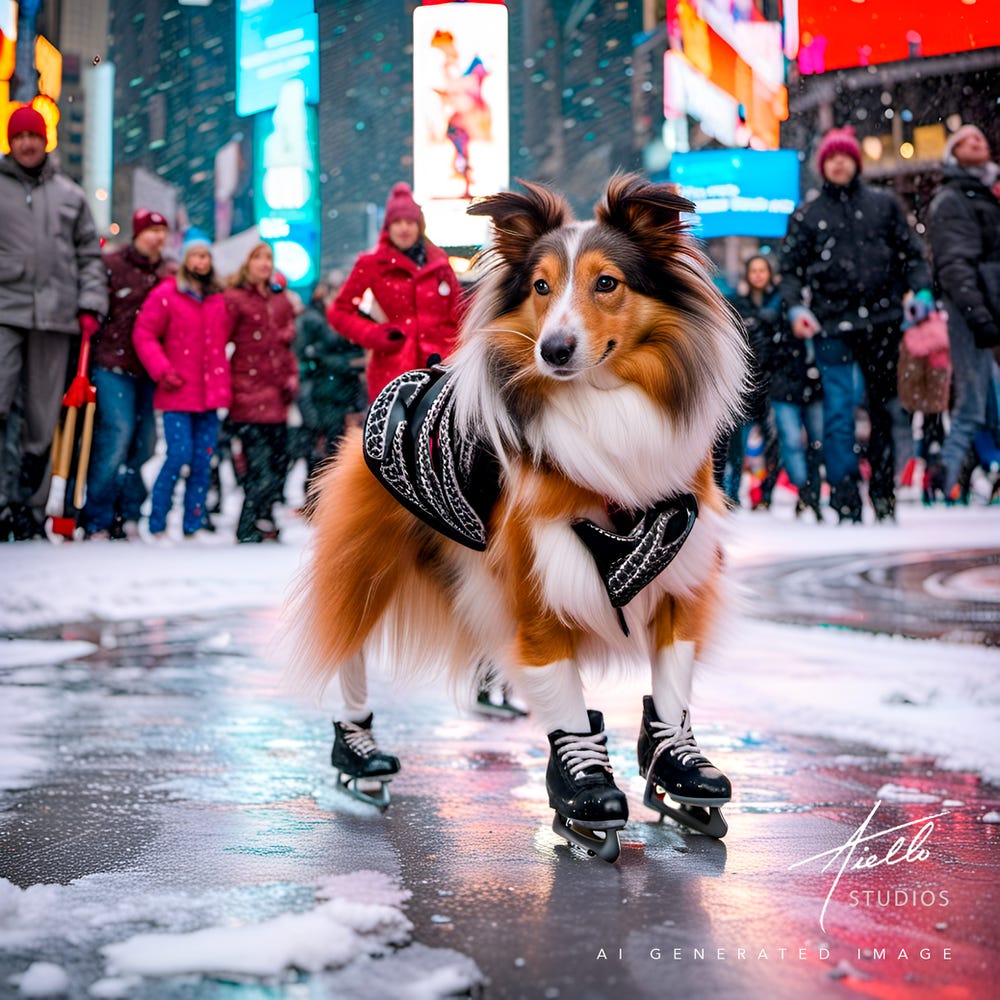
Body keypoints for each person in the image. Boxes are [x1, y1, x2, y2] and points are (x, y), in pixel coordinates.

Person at [779, 125, 932, 523]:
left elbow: (911, 255)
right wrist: (797, 308)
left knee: (887, 412)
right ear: (823, 165)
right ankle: (845, 498)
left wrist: (921, 290)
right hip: (832, 327)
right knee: (838, 413)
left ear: (856, 162)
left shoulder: (883, 205)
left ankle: (884, 494)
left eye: (845, 156)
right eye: (831, 158)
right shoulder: (809, 214)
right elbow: (790, 271)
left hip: (883, 324)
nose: (839, 163)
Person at [0, 105, 108, 541]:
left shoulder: (70, 194)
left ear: (46, 140)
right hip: (4, 311)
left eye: (34, 136)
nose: (27, 143)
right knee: (1, 404)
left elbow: (90, 256)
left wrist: (90, 303)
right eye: (19, 136)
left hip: (56, 318)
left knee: (43, 422)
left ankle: (31, 506)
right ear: (10, 141)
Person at [132, 229, 231, 541]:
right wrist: (163, 370)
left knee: (203, 459)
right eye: (196, 255)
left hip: (209, 393)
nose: (201, 261)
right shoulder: (166, 294)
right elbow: (143, 333)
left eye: (205, 256)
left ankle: (192, 524)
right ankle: (157, 522)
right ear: (186, 259)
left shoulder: (217, 299)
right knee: (178, 455)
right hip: (178, 389)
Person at [329, 182, 465, 405]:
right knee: (395, 437)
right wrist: (374, 335)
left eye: (410, 222)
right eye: (398, 222)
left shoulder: (439, 262)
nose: (404, 228)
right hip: (394, 372)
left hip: (442, 369)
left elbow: (459, 312)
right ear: (387, 227)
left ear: (420, 226)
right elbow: (339, 311)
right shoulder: (372, 264)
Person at [81, 210, 172, 540]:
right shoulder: (113, 265)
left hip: (149, 369)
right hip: (112, 365)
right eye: (151, 231)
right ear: (137, 234)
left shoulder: (167, 272)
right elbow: (94, 298)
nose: (157, 237)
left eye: (162, 231)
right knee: (116, 435)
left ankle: (128, 511)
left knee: (144, 443)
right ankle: (97, 516)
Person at [925, 124, 1000, 503]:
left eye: (981, 137)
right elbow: (955, 265)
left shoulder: (986, 192)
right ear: (954, 152)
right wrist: (978, 314)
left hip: (987, 311)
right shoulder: (952, 199)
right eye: (968, 140)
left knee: (986, 402)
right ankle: (943, 479)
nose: (978, 141)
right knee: (973, 404)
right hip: (976, 315)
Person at [224, 242, 299, 543]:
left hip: (277, 396)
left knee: (280, 465)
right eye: (258, 257)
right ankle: (248, 526)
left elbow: (286, 348)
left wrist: (291, 377)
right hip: (246, 394)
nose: (265, 263)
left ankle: (263, 520)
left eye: (269, 258)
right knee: (259, 469)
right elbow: (221, 343)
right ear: (246, 262)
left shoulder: (281, 302)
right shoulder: (235, 299)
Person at [746, 256, 826, 520]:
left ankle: (809, 492)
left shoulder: (818, 298)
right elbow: (764, 347)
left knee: (816, 441)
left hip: (811, 380)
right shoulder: (777, 303)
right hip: (782, 382)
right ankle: (804, 491)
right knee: (789, 442)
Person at [292, 276, 365, 506]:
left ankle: (329, 499)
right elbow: (306, 355)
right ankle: (317, 499)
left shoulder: (351, 317)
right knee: (323, 447)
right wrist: (346, 364)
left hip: (345, 393)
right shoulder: (314, 319)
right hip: (323, 392)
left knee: (338, 448)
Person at [715, 255, 780, 509]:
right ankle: (731, 494)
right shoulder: (735, 304)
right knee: (734, 446)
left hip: (772, 384)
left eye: (762, 270)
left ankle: (766, 493)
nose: (758, 275)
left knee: (776, 442)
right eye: (754, 270)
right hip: (741, 385)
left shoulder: (779, 306)